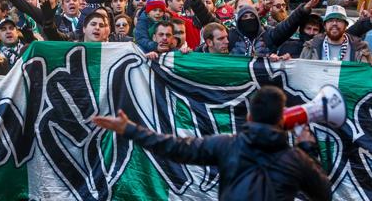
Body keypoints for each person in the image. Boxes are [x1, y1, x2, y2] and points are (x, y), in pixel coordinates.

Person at [92, 85, 331, 201]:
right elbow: (323, 195)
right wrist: (307, 149)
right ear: (282, 119)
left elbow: (173, 147)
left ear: (249, 117)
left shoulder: (226, 144)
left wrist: (130, 129)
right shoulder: (297, 158)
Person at [300, 5, 372, 63]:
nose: (334, 23)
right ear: (325, 26)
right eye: (330, 20)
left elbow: (367, 75)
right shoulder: (310, 47)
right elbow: (301, 72)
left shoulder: (360, 48)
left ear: (346, 25)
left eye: (339, 20)